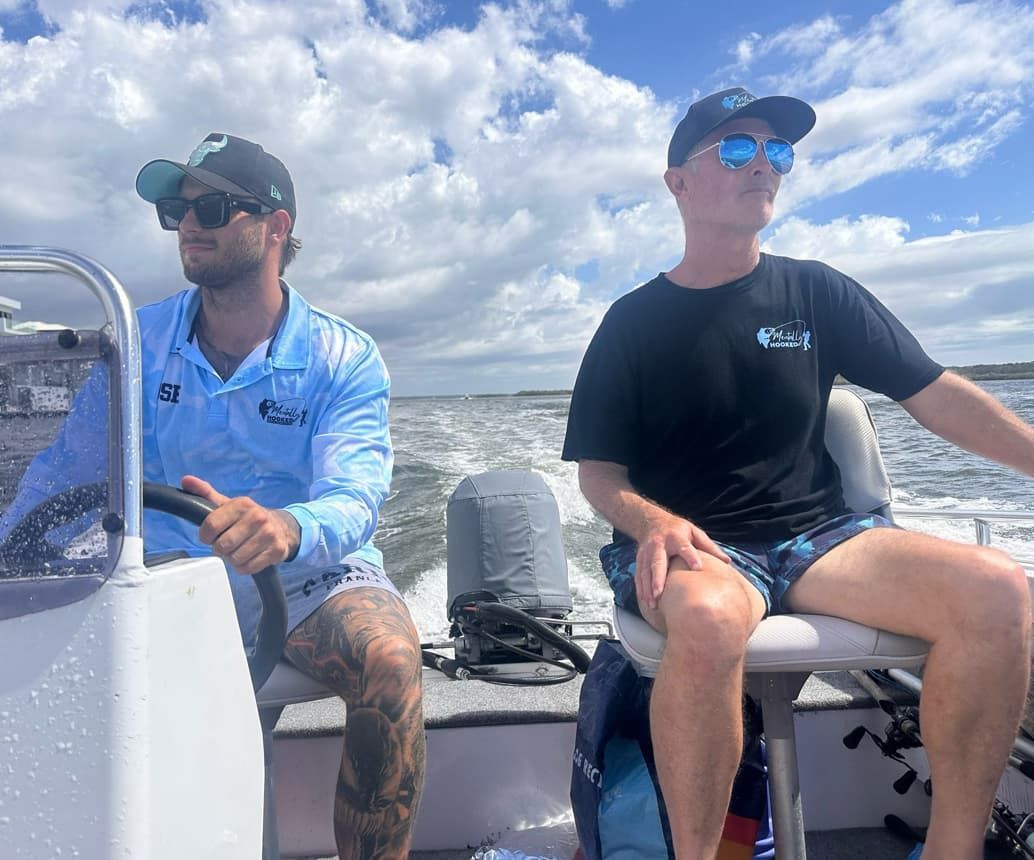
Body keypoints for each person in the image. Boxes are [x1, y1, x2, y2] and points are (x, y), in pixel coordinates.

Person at [562, 87, 1033, 860]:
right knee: (711, 619)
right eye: (738, 149)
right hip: (700, 549)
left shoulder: (818, 292)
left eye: (777, 152)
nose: (765, 167)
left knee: (997, 588)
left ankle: (956, 850)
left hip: (821, 539)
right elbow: (599, 475)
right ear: (677, 181)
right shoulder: (630, 325)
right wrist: (651, 521)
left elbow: (938, 397)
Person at [0, 133, 424, 859]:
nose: (189, 224)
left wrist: (288, 526)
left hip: (310, 576)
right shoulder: (135, 341)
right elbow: (65, 469)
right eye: (177, 210)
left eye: (215, 207)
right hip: (168, 579)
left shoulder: (342, 356)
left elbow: (355, 495)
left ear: (276, 227)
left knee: (388, 661)